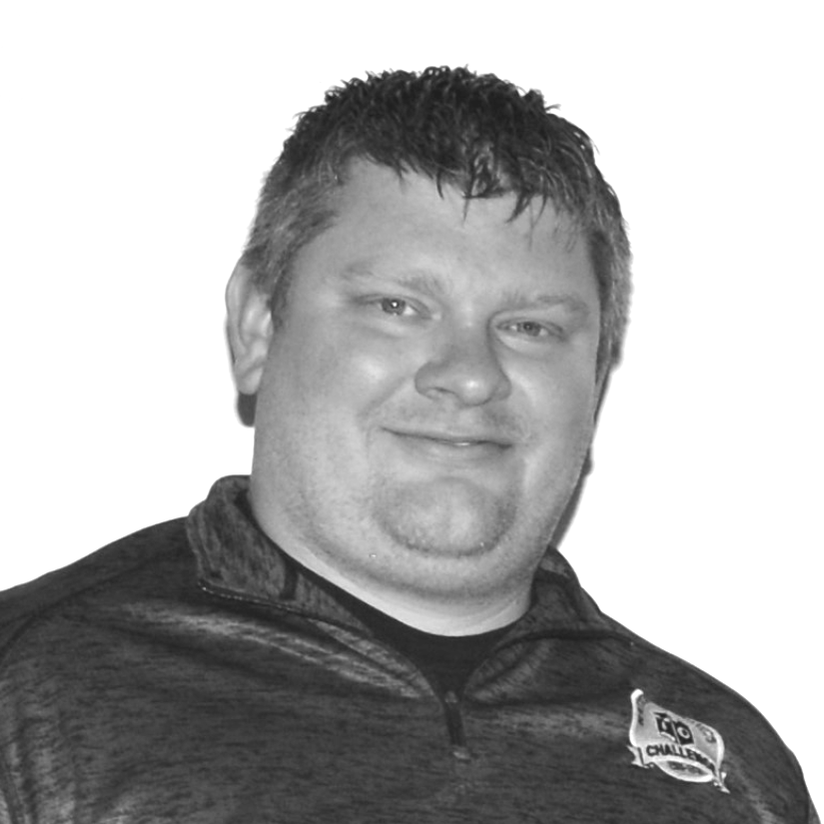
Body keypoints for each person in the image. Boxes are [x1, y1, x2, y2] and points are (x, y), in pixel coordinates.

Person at [0, 66, 815, 823]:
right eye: (396, 307)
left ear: (596, 375)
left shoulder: (735, 765)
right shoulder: (25, 695)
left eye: (530, 327)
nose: (469, 375)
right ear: (257, 325)